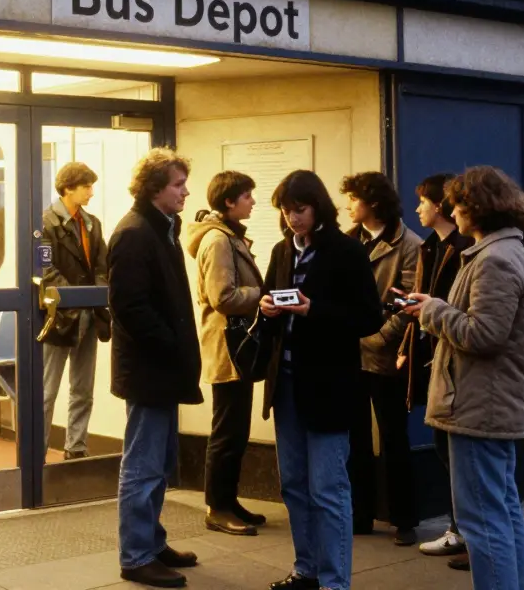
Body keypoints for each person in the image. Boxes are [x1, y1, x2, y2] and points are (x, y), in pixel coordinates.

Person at [403, 166, 524, 590]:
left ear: (475, 208)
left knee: (482, 521)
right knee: (501, 512)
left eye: (457, 205)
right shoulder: (503, 251)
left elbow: (484, 334)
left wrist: (432, 311)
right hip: (488, 402)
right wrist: (438, 305)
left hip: (479, 406)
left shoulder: (495, 259)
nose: (452, 212)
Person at [259, 170, 384, 590]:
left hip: (329, 386)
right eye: (285, 210)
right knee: (294, 484)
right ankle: (306, 570)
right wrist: (266, 307)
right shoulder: (282, 251)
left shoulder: (346, 251)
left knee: (328, 487)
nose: (292, 218)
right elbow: (269, 301)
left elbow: (369, 318)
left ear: (318, 208)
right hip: (286, 383)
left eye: (300, 209)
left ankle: (334, 581)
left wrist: (314, 309)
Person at [108, 147, 203, 588]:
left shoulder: (161, 228)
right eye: (178, 185)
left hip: (163, 369)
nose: (185, 192)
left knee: (159, 463)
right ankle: (136, 556)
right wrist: (170, 345)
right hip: (150, 371)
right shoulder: (134, 234)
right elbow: (130, 307)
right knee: (143, 466)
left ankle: (151, 540)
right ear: (154, 189)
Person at [340, 172, 422, 545]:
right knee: (354, 437)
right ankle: (360, 514)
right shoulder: (347, 242)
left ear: (373, 202)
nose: (348, 205)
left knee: (393, 438)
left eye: (353, 198)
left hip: (386, 357)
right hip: (350, 356)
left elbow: (408, 303)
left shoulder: (409, 244)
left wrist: (376, 337)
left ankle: (404, 519)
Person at [398, 173, 474, 566]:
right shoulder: (431, 246)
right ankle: (460, 529)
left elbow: (476, 322)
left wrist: (429, 310)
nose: (417, 209)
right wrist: (407, 344)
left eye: (423, 202)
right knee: (446, 449)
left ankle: (468, 534)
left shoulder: (468, 250)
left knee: (460, 455)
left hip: (457, 362)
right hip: (435, 356)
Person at [186, 171, 266, 536]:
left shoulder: (227, 236)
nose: (252, 202)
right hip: (227, 346)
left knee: (235, 430)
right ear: (229, 201)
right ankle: (217, 508)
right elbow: (223, 297)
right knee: (227, 431)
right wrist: (264, 295)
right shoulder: (218, 240)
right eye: (247, 196)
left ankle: (228, 501)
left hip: (234, 345)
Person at [40, 162, 111, 461]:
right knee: (46, 392)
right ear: (68, 188)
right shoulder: (45, 223)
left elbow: (102, 265)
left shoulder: (92, 224)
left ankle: (76, 448)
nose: (91, 192)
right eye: (86, 187)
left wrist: (96, 293)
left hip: (89, 317)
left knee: (83, 389)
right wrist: (76, 298)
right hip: (58, 318)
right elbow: (45, 270)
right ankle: (37, 453)